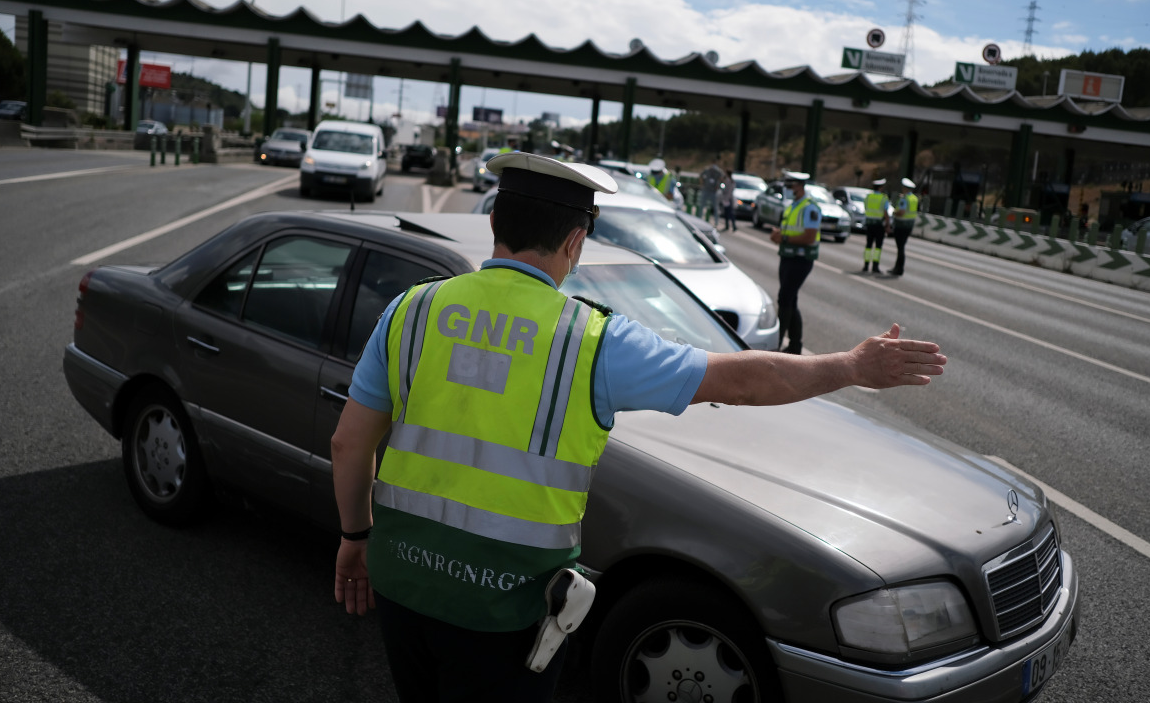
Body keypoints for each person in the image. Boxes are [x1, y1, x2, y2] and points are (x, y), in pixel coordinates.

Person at [330, 152, 947, 702]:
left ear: (495, 224)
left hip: (403, 580)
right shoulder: (592, 340)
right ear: (575, 241)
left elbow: (348, 441)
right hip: (504, 605)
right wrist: (850, 365)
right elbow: (738, 379)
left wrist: (355, 537)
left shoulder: (412, 309)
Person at [768, 171, 821, 354]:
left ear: (799, 186)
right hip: (788, 256)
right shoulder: (792, 206)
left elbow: (809, 236)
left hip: (800, 260)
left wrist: (783, 238)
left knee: (785, 299)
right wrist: (778, 235)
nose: (788, 189)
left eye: (790, 186)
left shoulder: (810, 207)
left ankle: (776, 345)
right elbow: (789, 231)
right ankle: (795, 346)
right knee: (791, 300)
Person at [890, 177, 919, 276]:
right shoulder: (914, 198)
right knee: (901, 247)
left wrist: (894, 212)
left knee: (900, 248)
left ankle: (899, 269)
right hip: (909, 226)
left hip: (901, 226)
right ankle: (897, 267)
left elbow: (901, 212)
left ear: (905, 188)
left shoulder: (904, 199)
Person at [862, 177, 890, 273]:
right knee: (878, 247)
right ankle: (875, 266)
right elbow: (886, 213)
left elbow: (866, 208)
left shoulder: (868, 197)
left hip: (869, 224)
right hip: (879, 225)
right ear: (880, 188)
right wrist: (888, 224)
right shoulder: (883, 198)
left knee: (868, 245)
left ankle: (865, 265)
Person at [699, 157, 725, 227]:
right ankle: (699, 219)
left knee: (715, 207)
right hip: (706, 190)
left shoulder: (719, 171)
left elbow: (722, 178)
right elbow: (701, 176)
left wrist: (718, 185)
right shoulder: (707, 169)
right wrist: (703, 184)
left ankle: (716, 222)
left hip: (714, 191)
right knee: (702, 205)